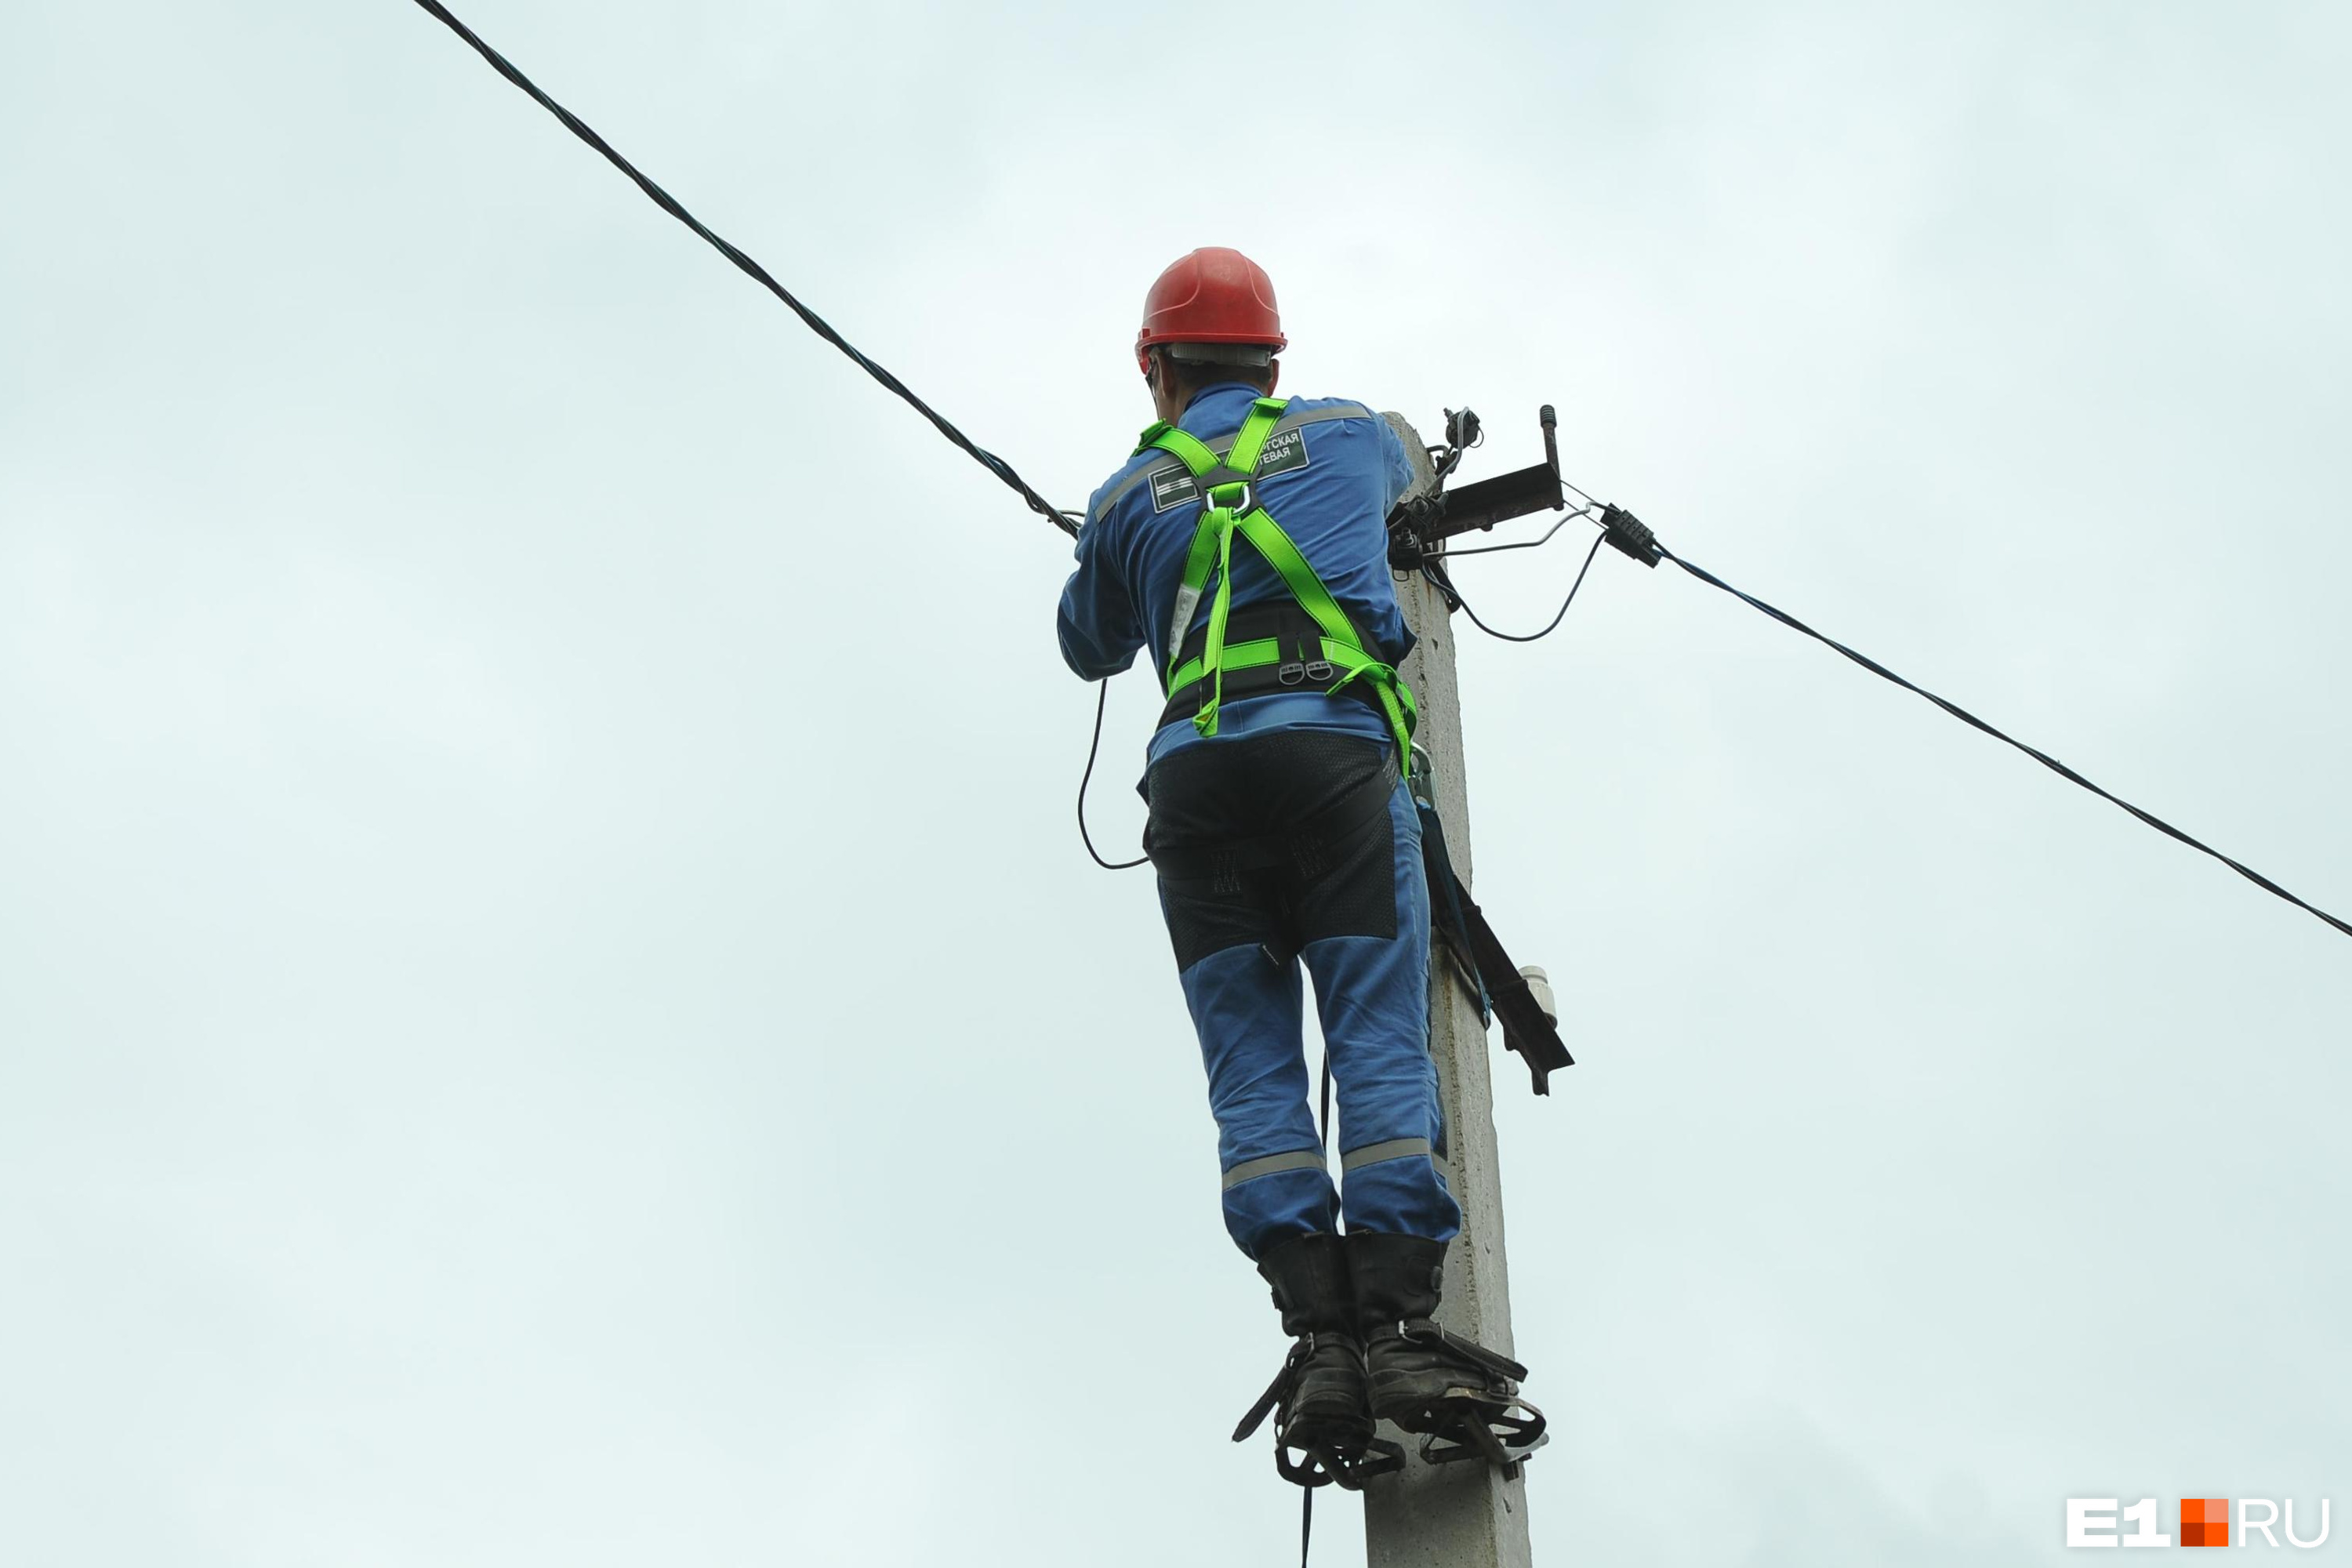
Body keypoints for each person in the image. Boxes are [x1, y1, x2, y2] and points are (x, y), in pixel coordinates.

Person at [1057, 247, 1523, 1487]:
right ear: (1272, 358)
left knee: (1250, 1060)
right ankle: (1401, 1326)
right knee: (1372, 1032)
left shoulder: (1124, 495)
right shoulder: (1354, 435)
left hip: (1200, 787)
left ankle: (1319, 1335)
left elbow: (1084, 644)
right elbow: (1390, 478)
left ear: (1155, 367)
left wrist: (1125, 535)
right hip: (1331, 761)